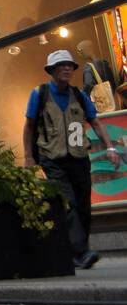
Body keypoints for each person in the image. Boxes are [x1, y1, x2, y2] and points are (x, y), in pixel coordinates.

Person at [24, 49, 124, 269]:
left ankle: (78, 251)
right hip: (53, 159)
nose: (67, 68)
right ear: (51, 71)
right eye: (61, 65)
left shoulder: (78, 95)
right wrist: (29, 156)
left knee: (83, 207)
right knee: (68, 203)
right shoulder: (39, 94)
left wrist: (110, 147)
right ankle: (81, 251)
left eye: (69, 65)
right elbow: (29, 127)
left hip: (79, 158)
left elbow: (95, 122)